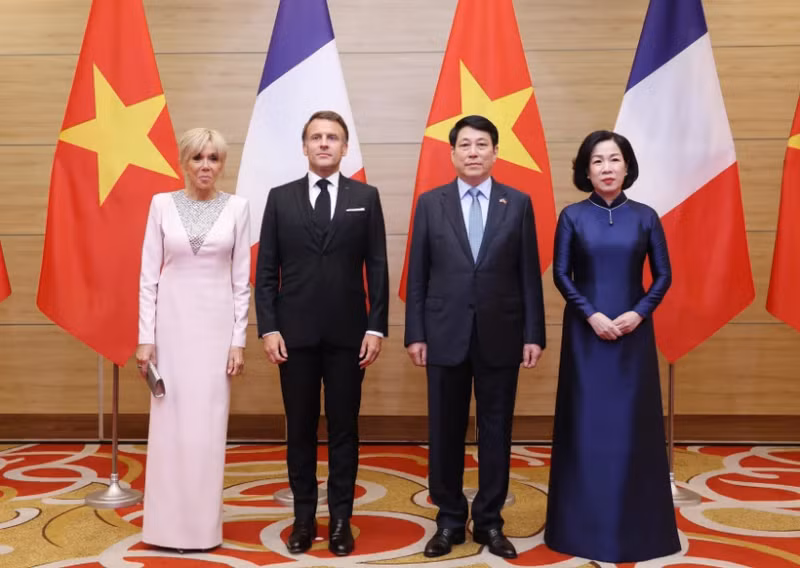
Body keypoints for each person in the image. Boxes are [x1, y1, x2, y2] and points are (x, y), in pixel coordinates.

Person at [405, 115, 546, 560]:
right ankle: (448, 520)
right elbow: (418, 275)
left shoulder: (517, 203)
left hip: (501, 335)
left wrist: (534, 334)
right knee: (444, 432)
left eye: (481, 144)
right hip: (443, 334)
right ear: (451, 154)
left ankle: (489, 521)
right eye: (464, 144)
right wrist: (415, 333)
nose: (472, 152)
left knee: (496, 432)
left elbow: (529, 276)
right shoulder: (431, 203)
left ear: (495, 152)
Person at [255, 110, 389, 556]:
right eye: (317, 137)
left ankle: (341, 523)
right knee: (300, 430)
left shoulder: (365, 197)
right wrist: (268, 327)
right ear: (305, 146)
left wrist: (377, 326)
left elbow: (378, 267)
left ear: (345, 147)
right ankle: (303, 520)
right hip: (293, 338)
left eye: (333, 137)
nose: (325, 143)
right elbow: (266, 271)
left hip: (350, 337)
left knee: (344, 430)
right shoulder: (280, 198)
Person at [544, 130, 681, 562]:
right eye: (597, 161)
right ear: (586, 170)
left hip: (633, 336)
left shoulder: (645, 216)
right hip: (587, 334)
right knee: (586, 426)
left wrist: (639, 312)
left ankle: (638, 522)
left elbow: (662, 275)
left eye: (614, 159)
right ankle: (578, 525)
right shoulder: (572, 216)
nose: (606, 167)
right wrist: (591, 313)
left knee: (630, 429)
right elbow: (562, 275)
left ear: (627, 167)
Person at [136, 128, 251, 551]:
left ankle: (203, 530)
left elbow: (242, 282)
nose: (206, 166)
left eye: (214, 158)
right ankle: (164, 529)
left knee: (207, 428)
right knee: (169, 426)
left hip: (216, 330)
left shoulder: (239, 208)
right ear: (184, 162)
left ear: (223, 165)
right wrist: (144, 338)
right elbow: (148, 277)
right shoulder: (161, 205)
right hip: (170, 328)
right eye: (198, 158)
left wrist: (237, 340)